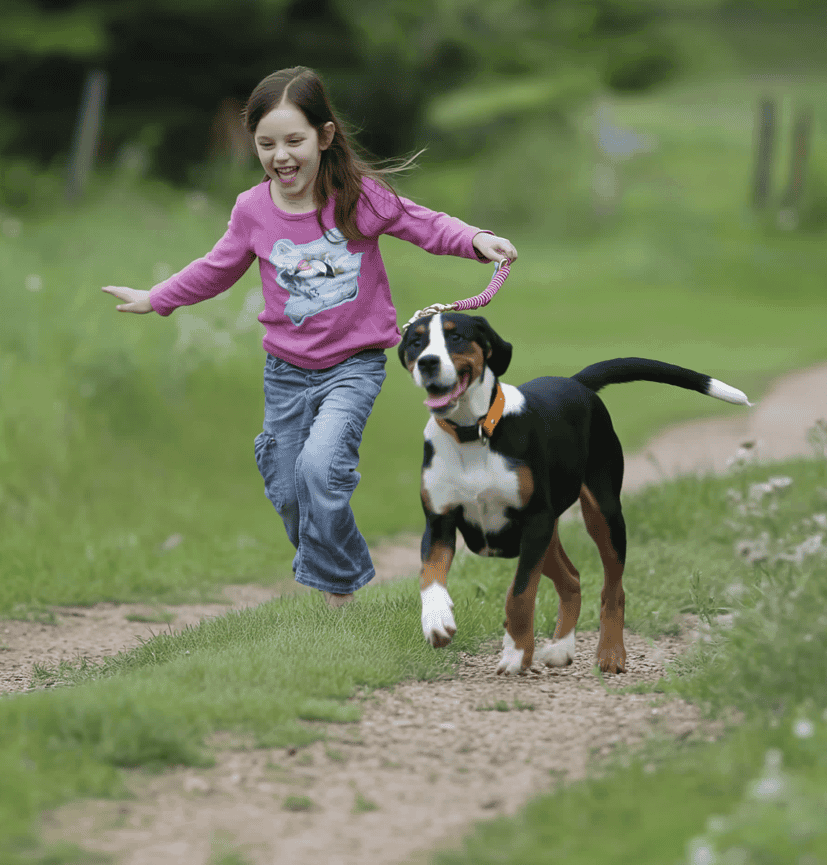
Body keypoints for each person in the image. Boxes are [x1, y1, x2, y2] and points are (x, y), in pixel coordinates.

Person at [103, 66, 518, 608]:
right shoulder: (252, 210)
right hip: (286, 374)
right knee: (290, 490)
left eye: (294, 140)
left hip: (353, 366)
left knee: (320, 468)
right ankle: (343, 569)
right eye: (266, 143)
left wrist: (476, 238)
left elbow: (425, 223)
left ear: (324, 137)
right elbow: (218, 267)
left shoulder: (357, 198)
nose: (281, 155)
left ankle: (336, 596)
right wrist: (159, 297)